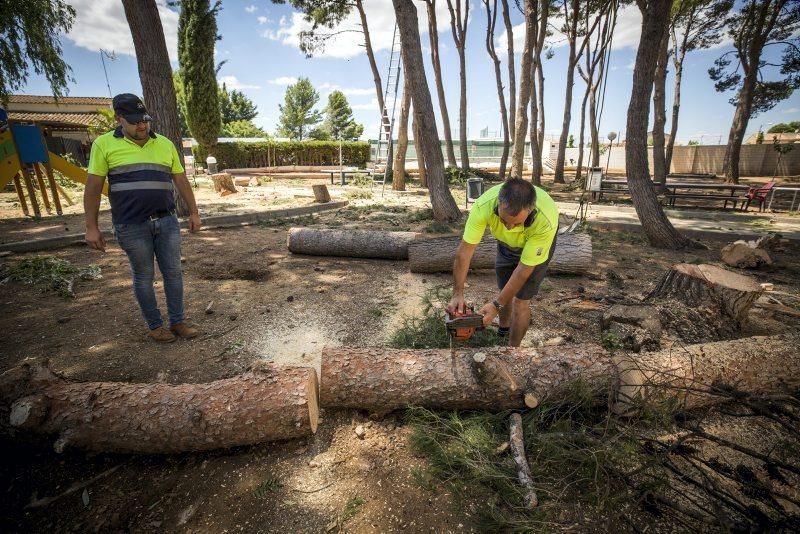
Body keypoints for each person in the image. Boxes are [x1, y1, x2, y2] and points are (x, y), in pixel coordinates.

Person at [84, 93, 202, 343]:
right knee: (143, 276)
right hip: (131, 225)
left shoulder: (165, 144)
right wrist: (91, 227)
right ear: (119, 119)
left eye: (145, 120)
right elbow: (93, 187)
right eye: (135, 121)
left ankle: (178, 321)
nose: (142, 126)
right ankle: (155, 325)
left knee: (173, 273)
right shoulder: (103, 145)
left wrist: (193, 212)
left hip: (167, 221)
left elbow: (180, 180)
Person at [447, 178, 559, 347]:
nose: (509, 227)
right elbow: (464, 253)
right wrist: (457, 293)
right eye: (504, 220)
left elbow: (523, 270)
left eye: (517, 223)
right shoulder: (483, 206)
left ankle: (512, 352)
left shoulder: (545, 220)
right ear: (498, 205)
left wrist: (495, 305)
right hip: (506, 244)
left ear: (531, 211)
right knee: (504, 288)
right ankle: (503, 330)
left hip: (535, 245)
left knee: (520, 302)